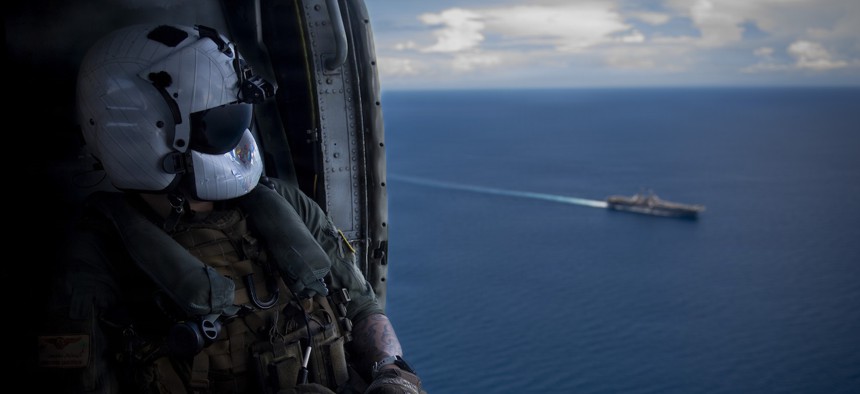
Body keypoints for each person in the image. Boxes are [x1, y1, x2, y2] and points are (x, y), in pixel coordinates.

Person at [37, 23, 424, 394]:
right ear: (141, 130)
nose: (237, 137)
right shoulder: (98, 253)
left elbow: (359, 303)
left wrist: (391, 374)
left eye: (236, 114)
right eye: (218, 122)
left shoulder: (284, 204)